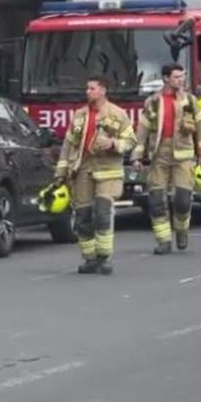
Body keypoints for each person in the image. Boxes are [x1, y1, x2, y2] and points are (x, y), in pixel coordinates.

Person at [54, 75, 137, 275]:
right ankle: (89, 258)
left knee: (102, 213)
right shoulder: (80, 115)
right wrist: (61, 172)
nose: (87, 92)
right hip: (83, 169)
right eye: (87, 88)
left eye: (92, 88)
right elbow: (69, 145)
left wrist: (113, 144)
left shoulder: (117, 114)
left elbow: (131, 140)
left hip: (108, 171)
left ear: (103, 91)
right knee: (82, 216)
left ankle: (105, 257)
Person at [131, 63, 201, 255]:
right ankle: (164, 241)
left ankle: (181, 230)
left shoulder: (190, 102)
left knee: (183, 201)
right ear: (166, 78)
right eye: (176, 77)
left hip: (184, 157)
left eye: (182, 77)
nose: (181, 80)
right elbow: (142, 131)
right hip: (159, 155)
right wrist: (137, 157)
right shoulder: (153, 102)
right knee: (156, 200)